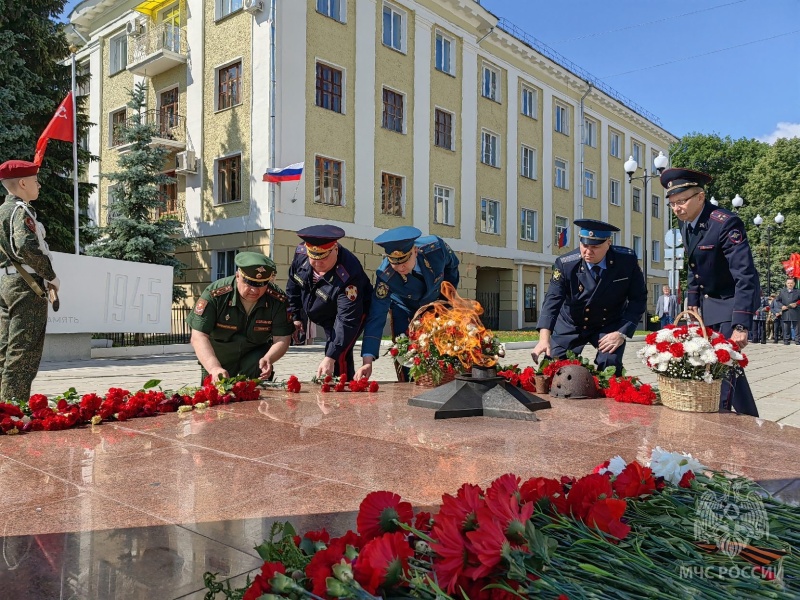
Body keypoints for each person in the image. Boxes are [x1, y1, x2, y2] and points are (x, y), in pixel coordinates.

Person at [661, 167, 760, 416]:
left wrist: (741, 324)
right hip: (706, 307)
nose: (677, 208)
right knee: (723, 367)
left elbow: (745, 275)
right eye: (672, 204)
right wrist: (692, 299)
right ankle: (750, 419)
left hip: (730, 304)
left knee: (722, 370)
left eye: (681, 201)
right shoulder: (686, 226)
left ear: (700, 197)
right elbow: (695, 269)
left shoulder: (725, 224)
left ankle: (722, 425)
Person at [531, 219, 646, 376]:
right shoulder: (566, 264)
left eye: (595, 247)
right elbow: (552, 300)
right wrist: (544, 339)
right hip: (571, 325)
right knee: (554, 368)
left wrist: (621, 332)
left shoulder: (625, 261)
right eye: (584, 245)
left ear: (608, 243)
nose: (588, 251)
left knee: (610, 362)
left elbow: (638, 298)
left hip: (607, 324)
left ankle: (608, 395)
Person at [355, 226, 459, 381]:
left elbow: (452, 266)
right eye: (394, 263)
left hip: (436, 303)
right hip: (404, 308)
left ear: (415, 251)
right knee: (405, 352)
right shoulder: (386, 276)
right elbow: (377, 315)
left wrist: (447, 298)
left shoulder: (435, 248)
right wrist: (367, 361)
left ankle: (443, 383)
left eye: (404, 261)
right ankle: (407, 387)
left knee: (444, 349)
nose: (400, 267)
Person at [0, 160, 60, 401]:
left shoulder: (2, 211)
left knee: (4, 349)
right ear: (22, 183)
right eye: (35, 181)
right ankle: (12, 411)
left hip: (6, 284)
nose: (40, 185)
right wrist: (51, 276)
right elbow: (26, 245)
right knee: (23, 351)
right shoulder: (19, 211)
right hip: (26, 286)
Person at [186, 252, 293, 383]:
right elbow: (198, 336)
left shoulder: (277, 300)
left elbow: (282, 337)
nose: (254, 291)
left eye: (260, 284)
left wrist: (269, 358)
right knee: (214, 397)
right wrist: (214, 368)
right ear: (238, 276)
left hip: (253, 359)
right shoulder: (216, 294)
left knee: (256, 390)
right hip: (219, 358)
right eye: (249, 283)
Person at [285, 225, 372, 379]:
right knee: (333, 350)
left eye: (324, 258)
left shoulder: (349, 273)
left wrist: (330, 356)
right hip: (323, 311)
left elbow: (346, 320)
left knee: (338, 353)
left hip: (353, 312)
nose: (318, 264)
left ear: (335, 249)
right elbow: (293, 284)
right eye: (314, 257)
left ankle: (344, 389)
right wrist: (296, 316)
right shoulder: (301, 255)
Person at [776, 278, 800, 345]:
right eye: (788, 283)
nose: (790, 284)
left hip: (795, 311)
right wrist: (781, 306)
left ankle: (797, 340)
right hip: (786, 311)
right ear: (786, 284)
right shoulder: (782, 291)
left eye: (791, 283)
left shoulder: (798, 291)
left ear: (794, 284)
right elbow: (778, 300)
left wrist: (796, 304)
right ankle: (786, 340)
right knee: (786, 326)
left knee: (797, 327)